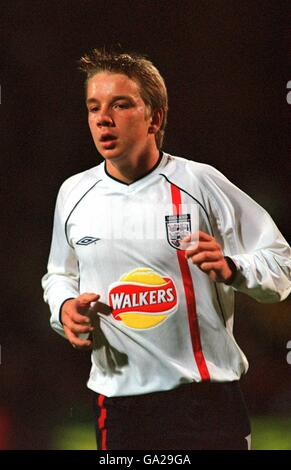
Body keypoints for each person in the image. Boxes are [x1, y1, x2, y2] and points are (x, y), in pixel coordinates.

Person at [41, 48, 291, 450]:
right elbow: (59, 275)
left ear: (154, 117)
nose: (103, 118)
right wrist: (64, 308)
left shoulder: (200, 183)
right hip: (119, 403)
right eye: (93, 107)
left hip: (205, 402)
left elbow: (282, 263)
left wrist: (233, 268)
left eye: (120, 105)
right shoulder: (73, 193)